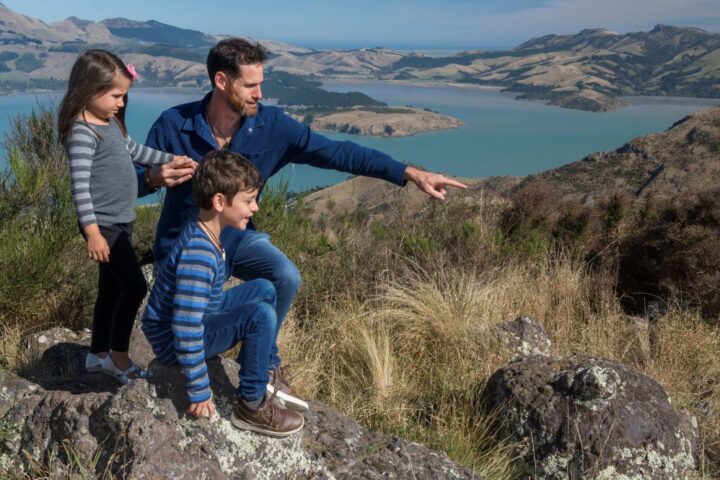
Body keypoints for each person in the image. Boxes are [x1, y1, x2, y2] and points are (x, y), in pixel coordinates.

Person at [137, 38, 466, 407]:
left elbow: (338, 153)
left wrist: (409, 172)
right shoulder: (173, 125)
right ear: (221, 81)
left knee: (285, 277)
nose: (260, 94)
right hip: (188, 246)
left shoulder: (272, 126)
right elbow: (128, 184)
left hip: (238, 238)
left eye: (262, 83)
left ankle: (260, 366)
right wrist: (152, 177)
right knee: (195, 311)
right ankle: (229, 370)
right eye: (250, 85)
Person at [142, 150, 304, 436]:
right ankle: (251, 405)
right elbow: (185, 326)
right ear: (220, 202)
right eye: (248, 201)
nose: (255, 208)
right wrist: (199, 388)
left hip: (202, 314)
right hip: (173, 341)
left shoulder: (206, 232)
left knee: (265, 288)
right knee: (261, 314)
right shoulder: (200, 254)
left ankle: (261, 366)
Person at [58, 49, 194, 384]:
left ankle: (97, 355)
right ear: (90, 90)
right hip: (105, 226)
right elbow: (80, 188)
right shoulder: (82, 134)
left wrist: (173, 159)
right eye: (116, 95)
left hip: (120, 221)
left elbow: (136, 152)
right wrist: (92, 232)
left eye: (124, 96)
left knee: (111, 289)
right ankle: (119, 358)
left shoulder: (109, 124)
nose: (121, 102)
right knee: (134, 287)